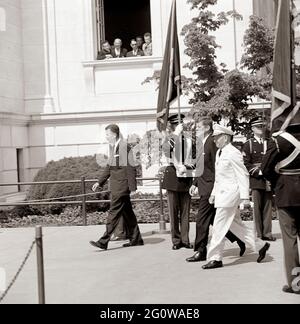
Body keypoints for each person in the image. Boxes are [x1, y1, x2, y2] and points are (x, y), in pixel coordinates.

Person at [202, 125, 271, 270]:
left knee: (219, 227)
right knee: (236, 225)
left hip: (230, 195)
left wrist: (245, 197)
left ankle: (215, 258)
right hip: (222, 194)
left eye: (217, 137)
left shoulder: (233, 152)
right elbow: (219, 178)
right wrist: (214, 193)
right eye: (214, 137)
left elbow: (242, 174)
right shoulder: (220, 152)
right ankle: (260, 245)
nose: (214, 140)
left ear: (225, 138)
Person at [186, 118, 246, 262]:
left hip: (211, 187)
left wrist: (214, 190)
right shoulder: (203, 143)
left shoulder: (212, 144)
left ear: (207, 128)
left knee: (201, 219)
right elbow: (202, 167)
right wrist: (195, 182)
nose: (196, 130)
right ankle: (240, 239)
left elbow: (217, 169)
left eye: (199, 127)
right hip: (205, 186)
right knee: (213, 219)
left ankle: (200, 251)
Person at [261, 116, 300, 295]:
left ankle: (296, 284)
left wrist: (277, 181)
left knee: (290, 239)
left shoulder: (278, 140)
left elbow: (266, 168)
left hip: (286, 192)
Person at [89, 124, 144, 250]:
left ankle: (103, 241)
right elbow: (109, 167)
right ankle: (136, 239)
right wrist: (100, 182)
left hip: (121, 187)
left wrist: (133, 188)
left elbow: (130, 168)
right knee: (128, 213)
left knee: (113, 213)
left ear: (114, 134)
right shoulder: (114, 147)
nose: (106, 137)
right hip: (118, 186)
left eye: (107, 134)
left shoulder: (124, 147)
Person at [161, 114, 197, 250]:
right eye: (177, 125)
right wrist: (176, 134)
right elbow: (165, 150)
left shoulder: (189, 139)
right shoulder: (170, 138)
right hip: (172, 178)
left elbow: (195, 158)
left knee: (185, 211)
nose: (181, 127)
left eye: (181, 125)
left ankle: (185, 239)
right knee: (173, 211)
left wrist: (187, 166)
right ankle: (176, 240)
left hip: (186, 176)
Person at [242, 117, 275, 241]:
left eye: (262, 126)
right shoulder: (248, 144)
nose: (261, 129)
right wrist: (259, 171)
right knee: (257, 208)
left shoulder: (270, 142)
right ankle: (259, 233)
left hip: (268, 178)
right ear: (252, 129)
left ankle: (267, 233)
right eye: (258, 127)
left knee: (267, 206)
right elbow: (246, 162)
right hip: (256, 179)